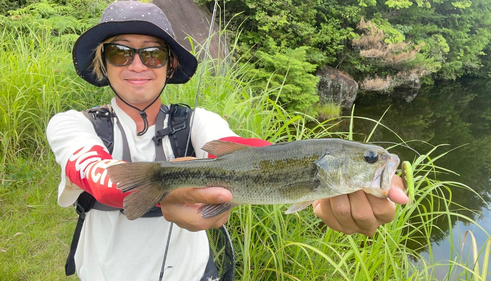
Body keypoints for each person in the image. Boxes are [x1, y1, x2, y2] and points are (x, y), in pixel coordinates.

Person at [46, 1, 409, 280]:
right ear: (103, 62)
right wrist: (166, 186)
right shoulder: (72, 125)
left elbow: (256, 154)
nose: (137, 65)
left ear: (170, 65)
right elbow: (95, 173)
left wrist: (318, 191)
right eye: (120, 52)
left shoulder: (199, 122)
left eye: (153, 54)